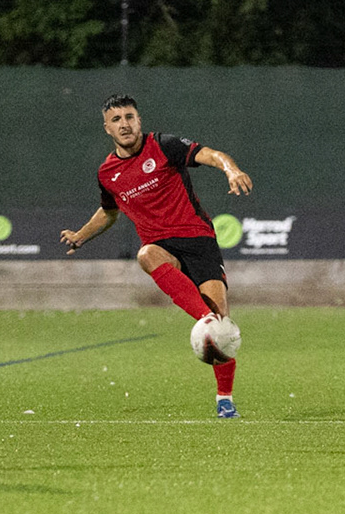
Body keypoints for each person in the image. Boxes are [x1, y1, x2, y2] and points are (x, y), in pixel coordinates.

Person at [59, 94, 252, 418]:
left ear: (139, 120)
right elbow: (109, 211)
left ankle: (224, 399)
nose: (124, 124)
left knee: (222, 326)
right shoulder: (107, 173)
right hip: (163, 248)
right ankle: (205, 319)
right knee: (146, 254)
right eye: (116, 119)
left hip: (199, 241)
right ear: (107, 128)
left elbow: (209, 154)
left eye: (129, 117)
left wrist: (230, 169)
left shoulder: (163, 145)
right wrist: (81, 235)